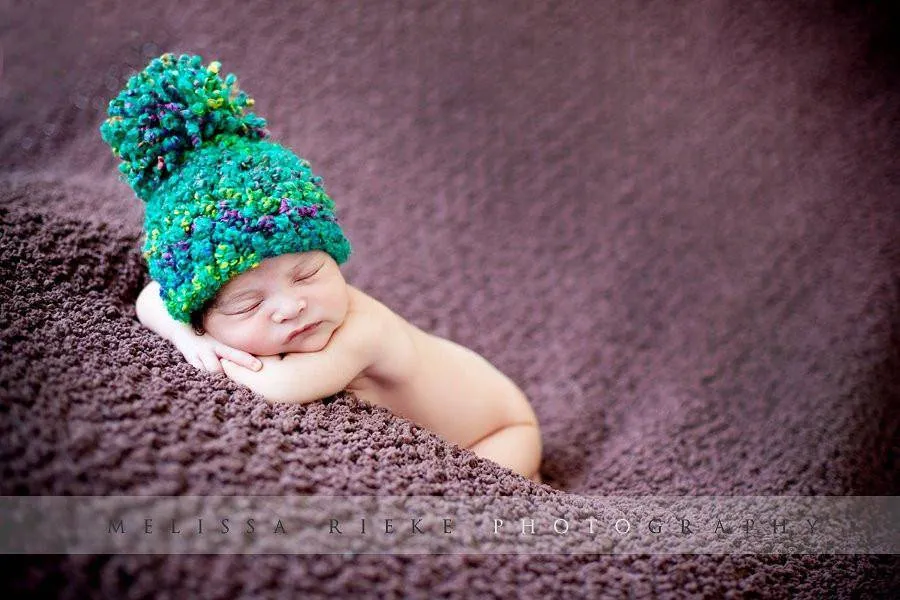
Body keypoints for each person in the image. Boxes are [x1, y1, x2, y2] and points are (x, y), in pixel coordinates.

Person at [103, 53, 542, 483]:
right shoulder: (211, 310)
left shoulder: (362, 329)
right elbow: (154, 296)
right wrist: (185, 331)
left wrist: (210, 350)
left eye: (308, 274)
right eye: (246, 304)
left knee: (482, 495)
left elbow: (280, 387)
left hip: (501, 427)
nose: (291, 306)